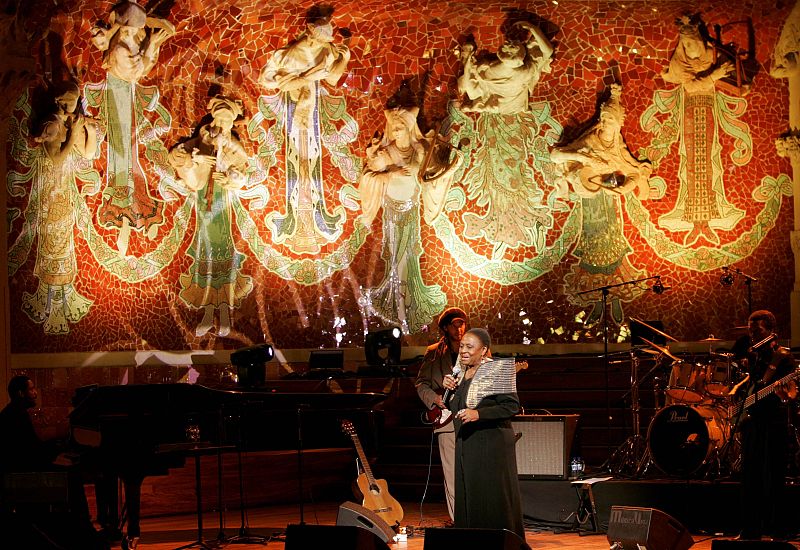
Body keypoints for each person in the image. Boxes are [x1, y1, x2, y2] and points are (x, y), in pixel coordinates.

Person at [168, 96, 254, 337]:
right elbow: (176, 156)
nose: (223, 124)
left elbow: (242, 172)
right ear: (214, 118)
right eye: (220, 119)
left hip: (221, 207)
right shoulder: (202, 140)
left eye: (227, 121)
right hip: (204, 205)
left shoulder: (233, 146)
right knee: (205, 255)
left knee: (223, 254)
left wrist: (229, 179)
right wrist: (195, 159)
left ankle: (225, 315)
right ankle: (207, 314)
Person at [443, 328, 525, 540]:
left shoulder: (496, 370)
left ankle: (499, 542)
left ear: (484, 350)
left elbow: (511, 406)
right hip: (468, 443)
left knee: (491, 498)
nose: (463, 350)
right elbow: (455, 409)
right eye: (462, 346)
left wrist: (479, 414)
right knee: (470, 495)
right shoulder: (460, 374)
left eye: (470, 347)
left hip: (491, 444)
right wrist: (449, 391)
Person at [732, 310, 798, 541]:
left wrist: (784, 394)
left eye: (757, 330)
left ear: (770, 330)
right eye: (751, 330)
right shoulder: (754, 355)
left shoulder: (783, 357)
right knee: (750, 476)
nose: (752, 334)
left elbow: (791, 393)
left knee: (773, 476)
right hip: (752, 422)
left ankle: (778, 529)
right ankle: (750, 529)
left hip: (774, 422)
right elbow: (752, 386)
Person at [415, 307, 469, 521]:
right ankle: (458, 520)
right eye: (455, 324)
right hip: (446, 418)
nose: (459, 329)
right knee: (451, 471)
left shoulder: (476, 348)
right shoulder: (433, 352)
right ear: (446, 327)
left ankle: (476, 516)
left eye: (462, 324)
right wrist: (435, 399)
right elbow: (421, 383)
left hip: (470, 416)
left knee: (472, 469)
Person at [457, 21, 553, 115]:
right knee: (472, 85)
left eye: (508, 46)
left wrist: (531, 28)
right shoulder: (527, 70)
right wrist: (532, 28)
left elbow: (474, 74)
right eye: (511, 46)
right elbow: (548, 51)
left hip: (504, 100)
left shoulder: (488, 68)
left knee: (471, 84)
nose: (507, 43)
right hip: (508, 101)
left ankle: (467, 58)